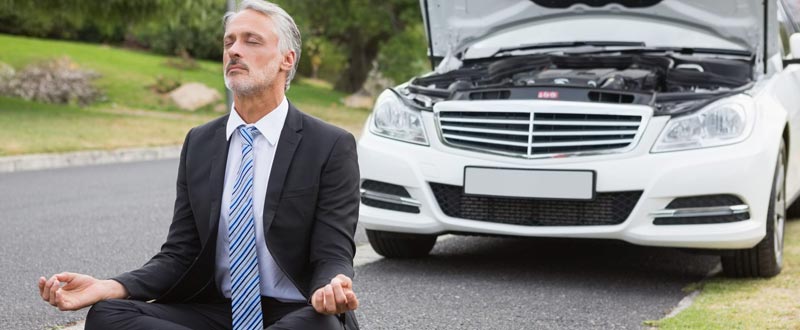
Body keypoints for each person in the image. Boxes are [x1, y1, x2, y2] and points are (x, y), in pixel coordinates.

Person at [36, 1, 361, 329]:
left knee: (322, 325)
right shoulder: (200, 142)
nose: (234, 50)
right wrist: (111, 286)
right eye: (229, 41)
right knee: (108, 313)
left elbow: (332, 252)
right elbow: (180, 253)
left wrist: (329, 288)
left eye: (251, 41)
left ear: (286, 60)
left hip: (293, 311)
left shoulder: (330, 145)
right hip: (217, 309)